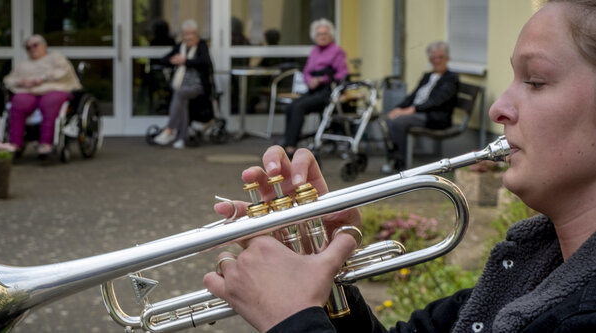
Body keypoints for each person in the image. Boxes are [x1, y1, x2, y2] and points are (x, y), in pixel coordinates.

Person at [204, 0, 596, 331]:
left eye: (536, 81)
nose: (498, 108)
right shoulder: (526, 267)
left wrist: (292, 319)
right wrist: (315, 278)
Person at [382, 41, 459, 173]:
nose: (437, 61)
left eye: (440, 57)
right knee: (387, 119)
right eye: (433, 58)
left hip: (435, 117)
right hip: (418, 113)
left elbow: (436, 101)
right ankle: (392, 158)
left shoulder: (451, 78)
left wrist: (411, 110)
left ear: (447, 58)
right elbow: (412, 96)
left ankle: (400, 163)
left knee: (399, 121)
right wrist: (398, 108)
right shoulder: (427, 76)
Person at [3, 34, 82, 157]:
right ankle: (15, 144)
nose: (32, 48)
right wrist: (22, 82)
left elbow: (64, 72)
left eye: (35, 45)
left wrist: (42, 78)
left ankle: (46, 143)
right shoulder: (23, 65)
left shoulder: (56, 58)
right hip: (29, 91)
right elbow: (8, 79)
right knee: (18, 101)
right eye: (28, 47)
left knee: (50, 102)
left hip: (54, 88)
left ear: (44, 46)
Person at [282, 18, 349, 158]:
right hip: (313, 89)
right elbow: (306, 71)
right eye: (319, 34)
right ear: (315, 36)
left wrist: (321, 79)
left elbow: (342, 73)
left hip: (327, 90)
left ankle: (290, 148)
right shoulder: (314, 51)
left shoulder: (337, 51)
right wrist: (310, 81)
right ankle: (289, 142)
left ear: (331, 35)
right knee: (291, 106)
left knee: (299, 107)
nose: (322, 37)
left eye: (325, 34)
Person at [153, 19, 213, 149]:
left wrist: (185, 61)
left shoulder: (202, 46)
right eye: (186, 34)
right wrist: (172, 60)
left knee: (180, 93)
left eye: (191, 34)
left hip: (198, 88)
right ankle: (181, 139)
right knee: (181, 98)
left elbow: (205, 63)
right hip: (180, 88)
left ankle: (169, 130)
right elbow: (163, 59)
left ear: (196, 34)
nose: (189, 37)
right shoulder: (180, 47)